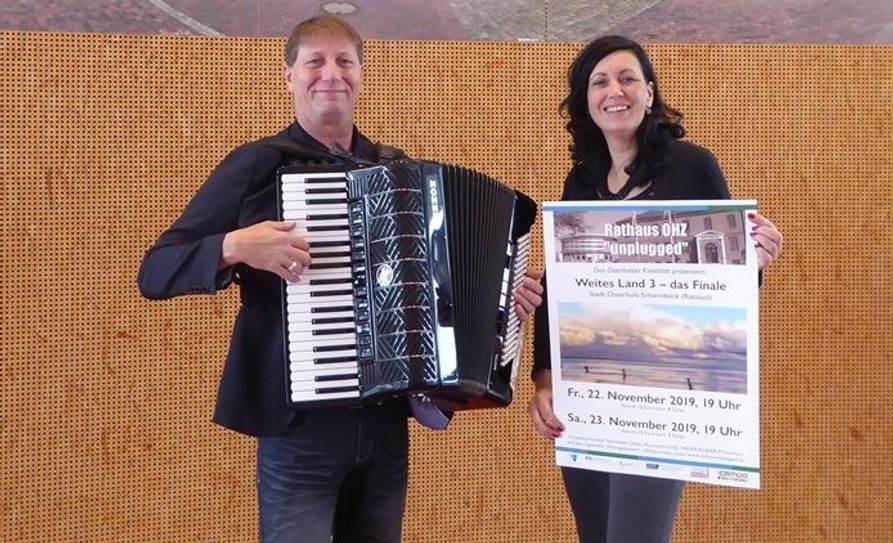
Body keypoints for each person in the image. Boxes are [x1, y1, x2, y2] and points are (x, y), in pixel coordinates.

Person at [137, 15, 543, 543]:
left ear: (361, 74)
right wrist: (235, 246)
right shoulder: (259, 165)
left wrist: (499, 295)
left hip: (386, 427)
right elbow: (157, 269)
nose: (331, 73)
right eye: (315, 61)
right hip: (300, 430)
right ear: (289, 77)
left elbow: (437, 293)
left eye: (344, 61)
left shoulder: (398, 172)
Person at [527, 35, 783, 543]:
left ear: (649, 91)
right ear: (585, 101)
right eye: (599, 82)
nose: (614, 91)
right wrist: (544, 376)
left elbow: (730, 282)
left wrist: (756, 259)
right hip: (589, 397)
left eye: (626, 78)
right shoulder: (581, 182)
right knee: (595, 535)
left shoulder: (691, 166)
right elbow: (558, 285)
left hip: (662, 404)